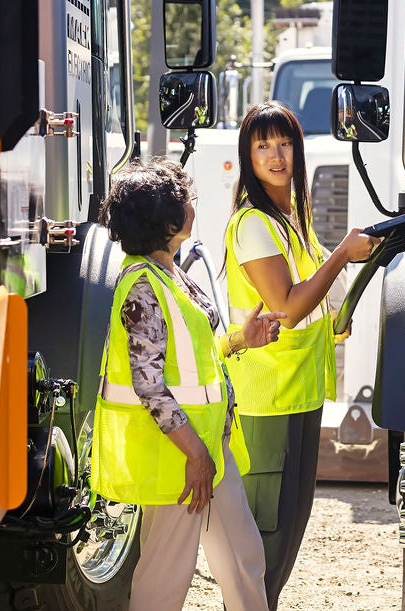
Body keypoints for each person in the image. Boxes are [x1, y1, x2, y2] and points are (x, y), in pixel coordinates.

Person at [93, 158, 286, 610]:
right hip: (180, 459)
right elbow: (149, 385)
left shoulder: (169, 274)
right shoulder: (143, 288)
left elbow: (193, 356)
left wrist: (241, 339)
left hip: (207, 447)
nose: (193, 207)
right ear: (166, 221)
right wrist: (196, 455)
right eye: (186, 200)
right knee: (165, 578)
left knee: (244, 558)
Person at [223, 101, 382, 608]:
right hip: (266, 400)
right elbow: (288, 310)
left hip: (300, 393)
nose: (276, 155)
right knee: (265, 538)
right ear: (247, 156)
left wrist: (336, 312)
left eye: (285, 142)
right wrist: (342, 256)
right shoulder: (254, 223)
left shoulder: (290, 216)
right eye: (262, 145)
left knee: (289, 529)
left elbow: (310, 300)